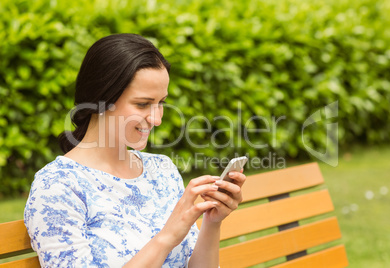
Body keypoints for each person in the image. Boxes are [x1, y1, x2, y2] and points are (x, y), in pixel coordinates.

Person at [24, 33, 246, 267]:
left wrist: (212, 222)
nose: (157, 119)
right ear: (101, 99)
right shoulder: (58, 187)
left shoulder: (162, 170)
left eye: (161, 103)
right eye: (143, 104)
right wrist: (167, 237)